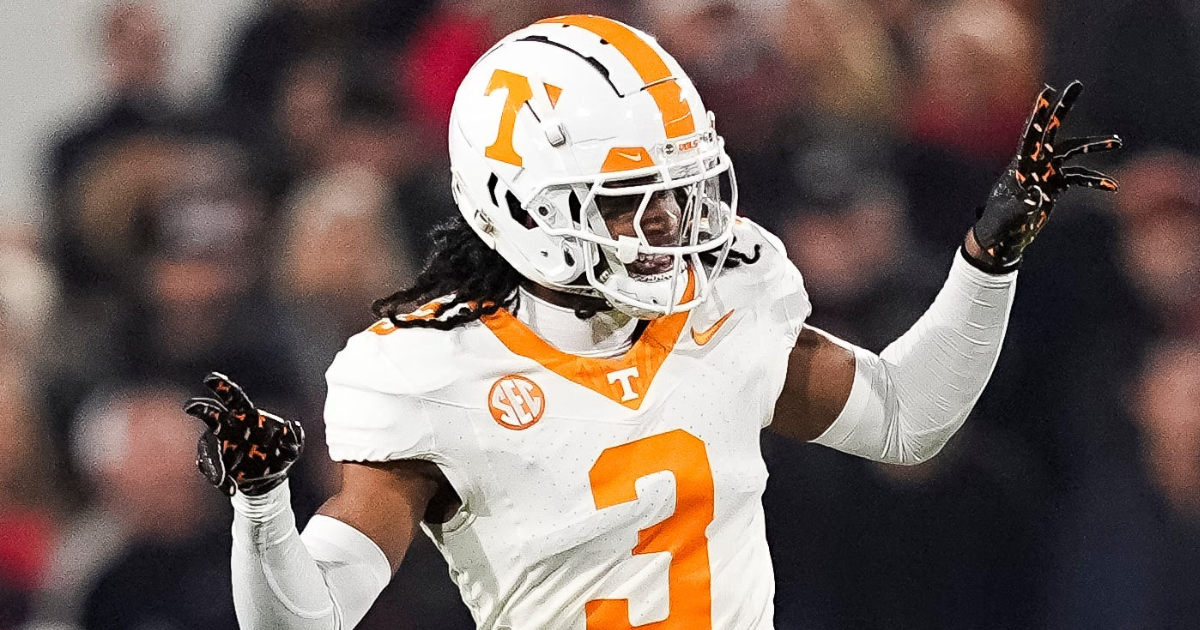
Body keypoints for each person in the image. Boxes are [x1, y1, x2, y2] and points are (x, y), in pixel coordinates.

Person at [183, 15, 1121, 630]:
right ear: (518, 204)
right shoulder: (434, 370)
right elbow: (314, 616)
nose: (671, 228)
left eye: (678, 192)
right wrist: (262, 506)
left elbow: (907, 420)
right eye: (629, 201)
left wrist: (987, 259)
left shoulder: (724, 299)